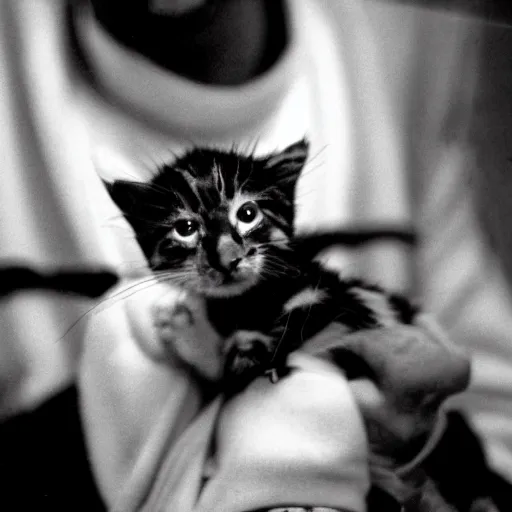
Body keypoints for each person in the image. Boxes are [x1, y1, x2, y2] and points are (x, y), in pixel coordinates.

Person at [0, 0, 511, 510]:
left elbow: (492, 410)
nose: (224, 253)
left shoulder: (404, 49)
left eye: (246, 219)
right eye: (186, 229)